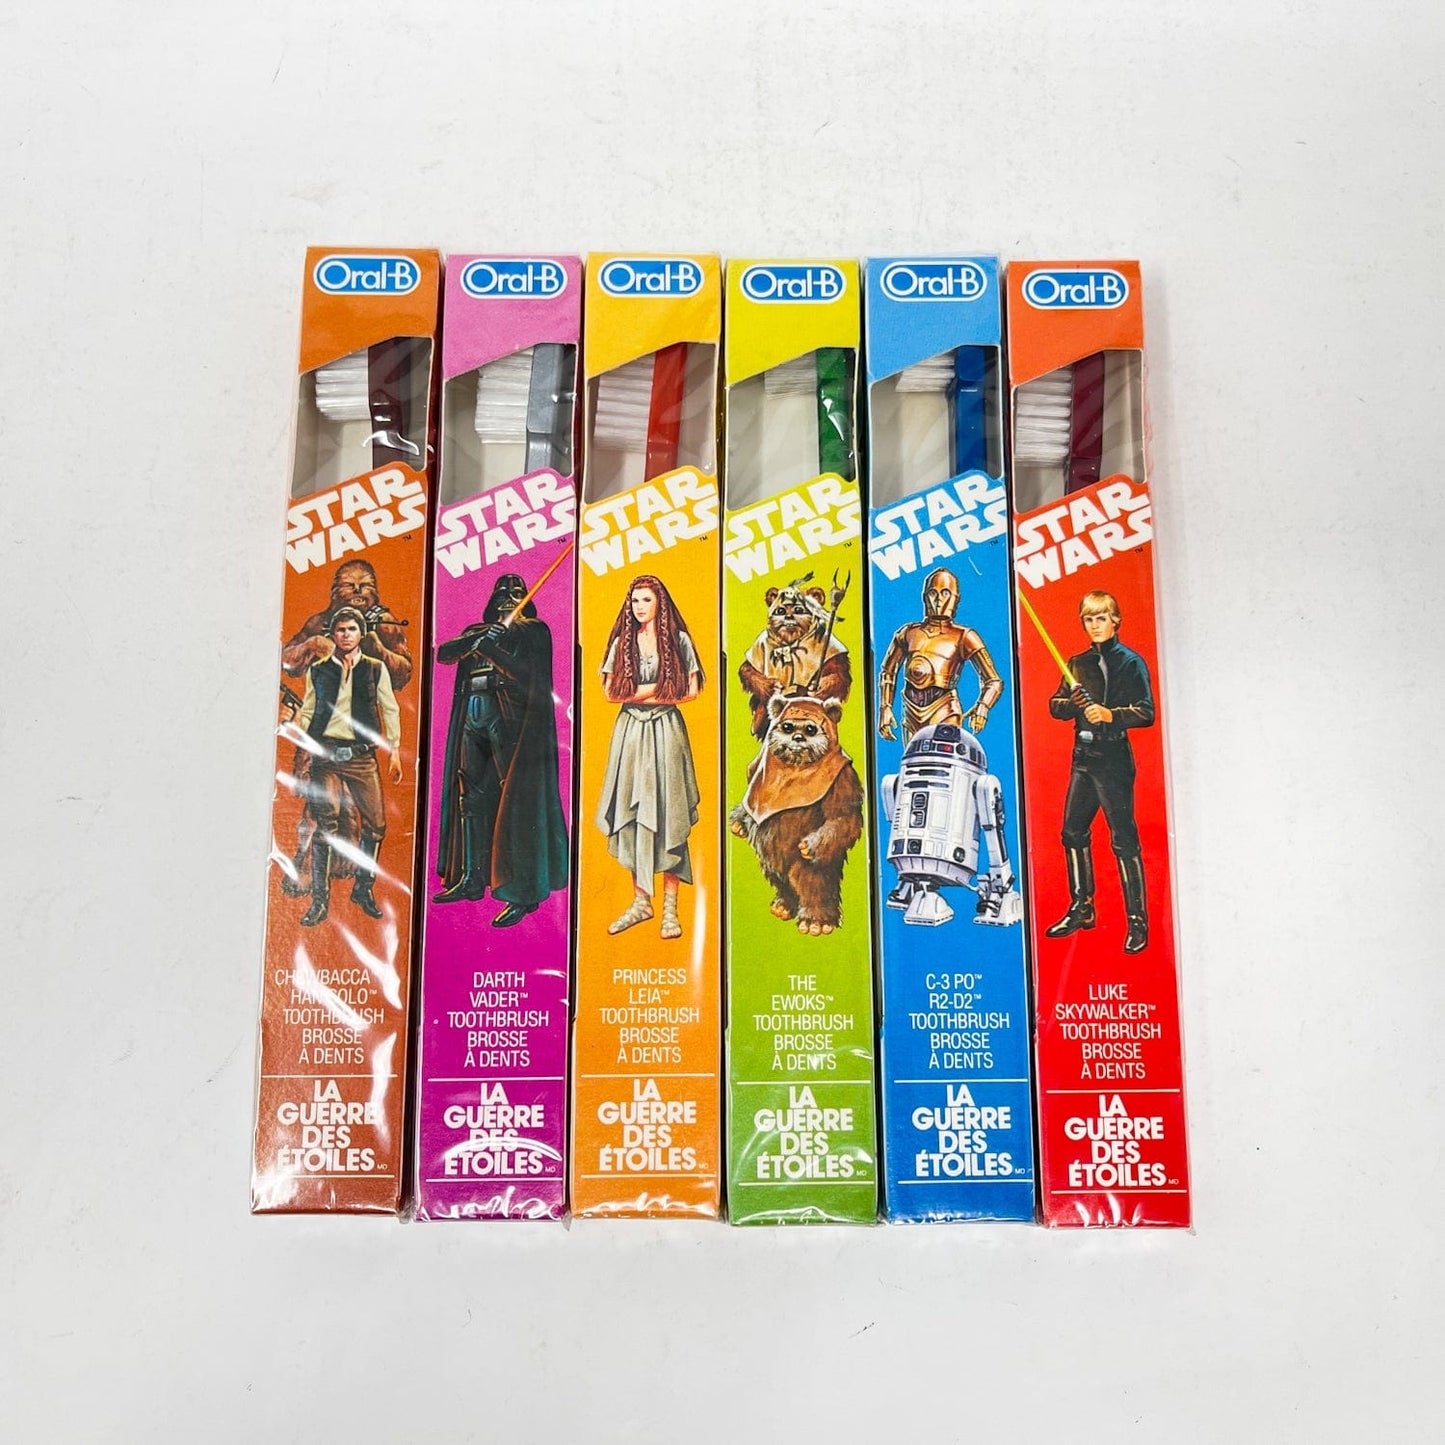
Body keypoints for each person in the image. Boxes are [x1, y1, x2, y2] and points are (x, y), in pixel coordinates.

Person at [433, 572, 568, 926]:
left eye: (517, 593)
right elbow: (444, 653)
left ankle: (522, 893)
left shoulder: (533, 631)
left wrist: (490, 646)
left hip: (508, 715)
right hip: (472, 710)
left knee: (516, 800)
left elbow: (524, 674)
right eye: (503, 593)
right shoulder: (480, 630)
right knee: (470, 795)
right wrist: (477, 638)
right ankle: (471, 877)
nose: (509, 599)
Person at [1045, 590, 1154, 954]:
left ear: (1115, 620)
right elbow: (1055, 706)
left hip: (1113, 759)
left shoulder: (1131, 662)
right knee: (1072, 831)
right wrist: (1071, 704)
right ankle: (1083, 907)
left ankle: (1137, 921)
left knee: (1123, 839)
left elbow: (1146, 711)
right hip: (1083, 758)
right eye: (1089, 619)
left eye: (1101, 618)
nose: (1094, 625)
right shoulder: (1077, 663)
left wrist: (1110, 715)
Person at [595, 575, 703, 941]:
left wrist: (638, 693)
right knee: (632, 814)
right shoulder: (623, 642)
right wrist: (661, 687)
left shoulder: (678, 640)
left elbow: (691, 690)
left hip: (667, 731)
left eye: (646, 600)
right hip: (630, 733)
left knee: (669, 813)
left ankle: (670, 909)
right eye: (635, 601)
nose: (640, 607)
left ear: (660, 603)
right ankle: (641, 901)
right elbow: (610, 693)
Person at [291, 607, 403, 927]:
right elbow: (308, 709)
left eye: (351, 629)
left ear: (361, 633)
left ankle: (363, 888)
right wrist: (300, 741)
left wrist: (394, 750)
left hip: (361, 757)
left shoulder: (375, 668)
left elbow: (390, 708)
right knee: (325, 828)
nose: (345, 635)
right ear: (333, 634)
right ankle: (319, 900)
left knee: (376, 825)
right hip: (325, 755)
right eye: (340, 629)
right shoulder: (318, 670)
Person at [877, 567, 1002, 744]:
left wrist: (983, 706)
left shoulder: (964, 636)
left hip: (945, 710)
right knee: (912, 760)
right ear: (925, 596)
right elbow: (888, 672)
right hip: (911, 712)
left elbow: (993, 680)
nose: (938, 600)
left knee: (942, 760)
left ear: (955, 598)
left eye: (945, 593)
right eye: (933, 593)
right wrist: (885, 707)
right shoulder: (908, 632)